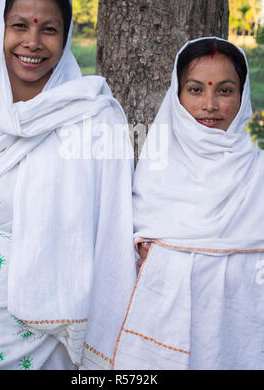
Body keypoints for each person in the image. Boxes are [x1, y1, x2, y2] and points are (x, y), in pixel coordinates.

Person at [0, 0, 136, 370]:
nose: (32, 42)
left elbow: (117, 221)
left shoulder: (95, 116)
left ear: (67, 36)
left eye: (49, 30)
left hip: (62, 322)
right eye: (19, 26)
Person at [112, 36, 264, 370]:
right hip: (165, 337)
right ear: (176, 96)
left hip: (240, 338)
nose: (210, 104)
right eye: (195, 90)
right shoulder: (153, 170)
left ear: (242, 96)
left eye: (224, 91)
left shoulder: (258, 172)